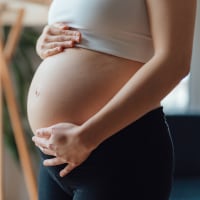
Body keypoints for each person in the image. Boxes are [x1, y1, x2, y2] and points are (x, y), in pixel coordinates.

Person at [27, 0, 197, 199]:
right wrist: (46, 43)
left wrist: (87, 137)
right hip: (56, 156)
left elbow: (174, 63)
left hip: (120, 152)